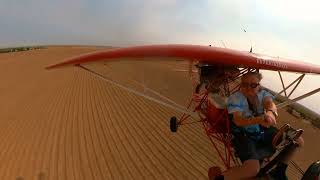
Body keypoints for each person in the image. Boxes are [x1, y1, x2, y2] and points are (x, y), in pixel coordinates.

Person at [208, 71, 304, 180]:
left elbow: (270, 103)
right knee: (252, 170)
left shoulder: (263, 94)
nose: (249, 88)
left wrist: (270, 113)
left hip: (261, 130)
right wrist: (258, 119)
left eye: (253, 85)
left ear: (259, 85)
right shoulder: (235, 98)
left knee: (298, 140)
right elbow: (238, 120)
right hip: (242, 134)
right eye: (245, 85)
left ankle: (279, 170)